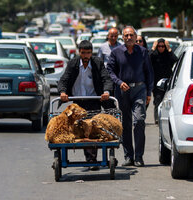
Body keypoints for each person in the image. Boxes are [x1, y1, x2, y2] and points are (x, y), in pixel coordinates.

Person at [57, 40, 113, 170]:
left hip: (94, 99)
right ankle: (89, 158)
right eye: (83, 53)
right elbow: (64, 79)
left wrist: (106, 92)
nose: (86, 56)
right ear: (79, 52)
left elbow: (106, 78)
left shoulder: (97, 63)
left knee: (92, 129)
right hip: (78, 102)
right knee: (80, 129)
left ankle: (91, 160)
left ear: (91, 52)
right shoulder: (73, 63)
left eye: (88, 53)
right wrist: (63, 92)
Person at [107, 26, 154, 167]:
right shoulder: (116, 52)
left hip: (139, 89)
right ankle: (129, 156)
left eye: (131, 35)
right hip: (122, 91)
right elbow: (110, 70)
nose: (129, 38)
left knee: (139, 121)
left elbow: (149, 72)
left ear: (135, 36)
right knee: (125, 124)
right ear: (122, 37)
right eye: (126, 35)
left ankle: (139, 157)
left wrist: (148, 92)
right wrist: (119, 82)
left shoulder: (143, 52)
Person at [150, 38, 178, 124]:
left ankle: (167, 117)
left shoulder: (168, 54)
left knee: (167, 100)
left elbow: (175, 60)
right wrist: (153, 48)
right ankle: (157, 118)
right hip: (156, 82)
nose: (161, 48)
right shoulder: (154, 55)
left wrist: (169, 49)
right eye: (159, 46)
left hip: (167, 81)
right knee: (158, 100)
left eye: (163, 46)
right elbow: (147, 58)